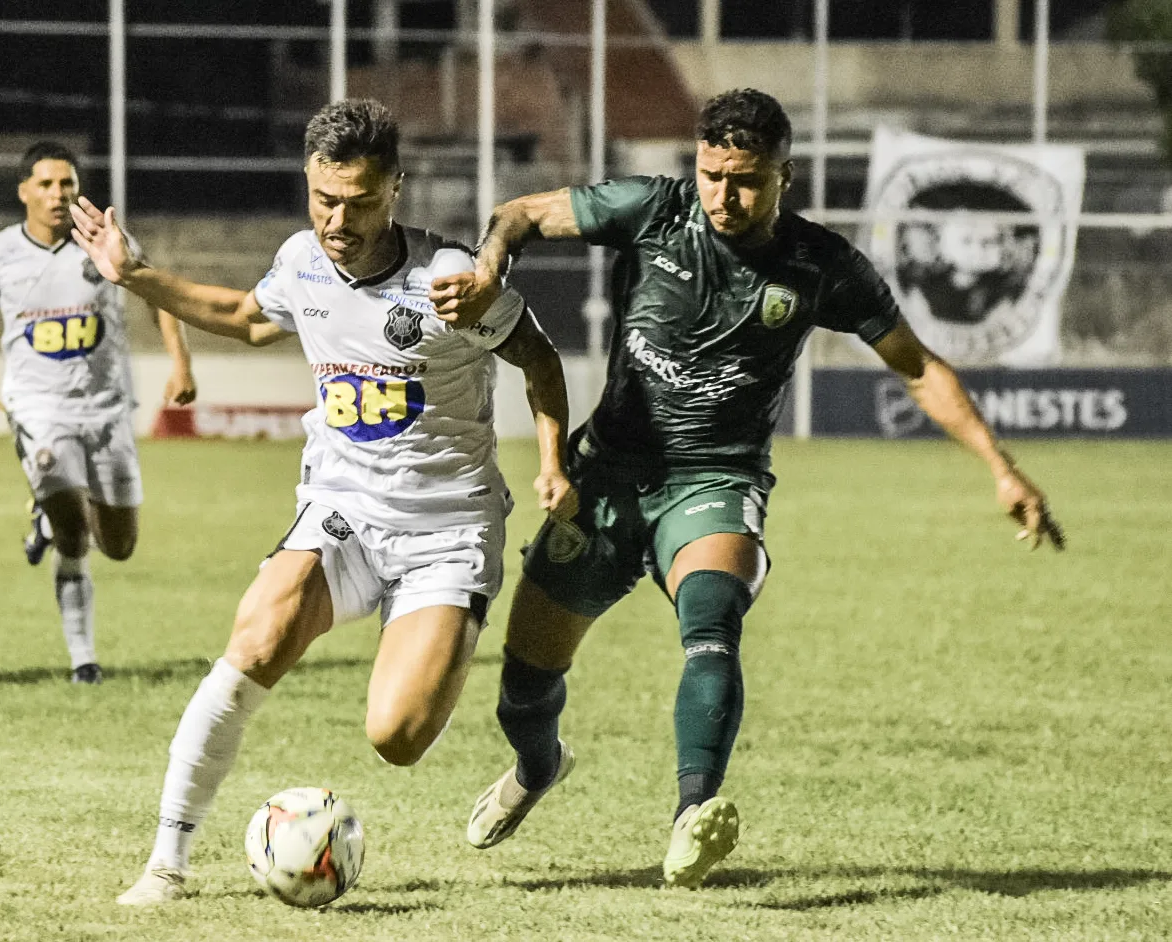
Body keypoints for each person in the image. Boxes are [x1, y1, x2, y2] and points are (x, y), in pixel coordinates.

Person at [434, 88, 1066, 888]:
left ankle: (691, 814)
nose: (724, 197)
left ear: (782, 176)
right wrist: (489, 270)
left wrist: (998, 465)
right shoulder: (652, 212)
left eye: (745, 180)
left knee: (711, 617)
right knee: (522, 686)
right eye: (710, 175)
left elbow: (916, 365)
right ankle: (536, 767)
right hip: (608, 477)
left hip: (716, 477)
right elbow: (518, 213)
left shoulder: (819, 265)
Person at [69, 98, 575, 905]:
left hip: (444, 529)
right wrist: (133, 274)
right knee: (258, 631)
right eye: (324, 199)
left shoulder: (446, 279)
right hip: (343, 507)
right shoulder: (302, 260)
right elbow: (244, 315)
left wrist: (553, 463)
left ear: (396, 190)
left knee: (397, 738)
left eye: (360, 202)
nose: (338, 219)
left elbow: (540, 359)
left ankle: (529, 743)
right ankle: (166, 861)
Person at [0, 142, 197, 685]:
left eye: (67, 184)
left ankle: (47, 513)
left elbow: (159, 299)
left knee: (121, 546)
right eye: (46, 184)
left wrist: (179, 364)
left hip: (108, 410)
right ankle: (83, 658)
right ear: (24, 192)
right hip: (39, 411)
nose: (58, 194)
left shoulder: (108, 244)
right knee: (72, 534)